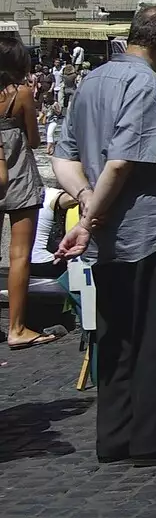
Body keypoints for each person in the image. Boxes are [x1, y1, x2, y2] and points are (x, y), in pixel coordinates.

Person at [50, 7, 156, 464]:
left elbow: (63, 157)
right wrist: (91, 218)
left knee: (113, 335)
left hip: (108, 235)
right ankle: (151, 439)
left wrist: (87, 200)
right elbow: (124, 161)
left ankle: (114, 435)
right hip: (146, 228)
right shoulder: (148, 85)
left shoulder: (91, 81)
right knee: (152, 335)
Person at [1, 35, 51, 350]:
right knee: (20, 254)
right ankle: (17, 328)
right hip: (17, 174)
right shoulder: (20, 95)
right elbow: (33, 140)